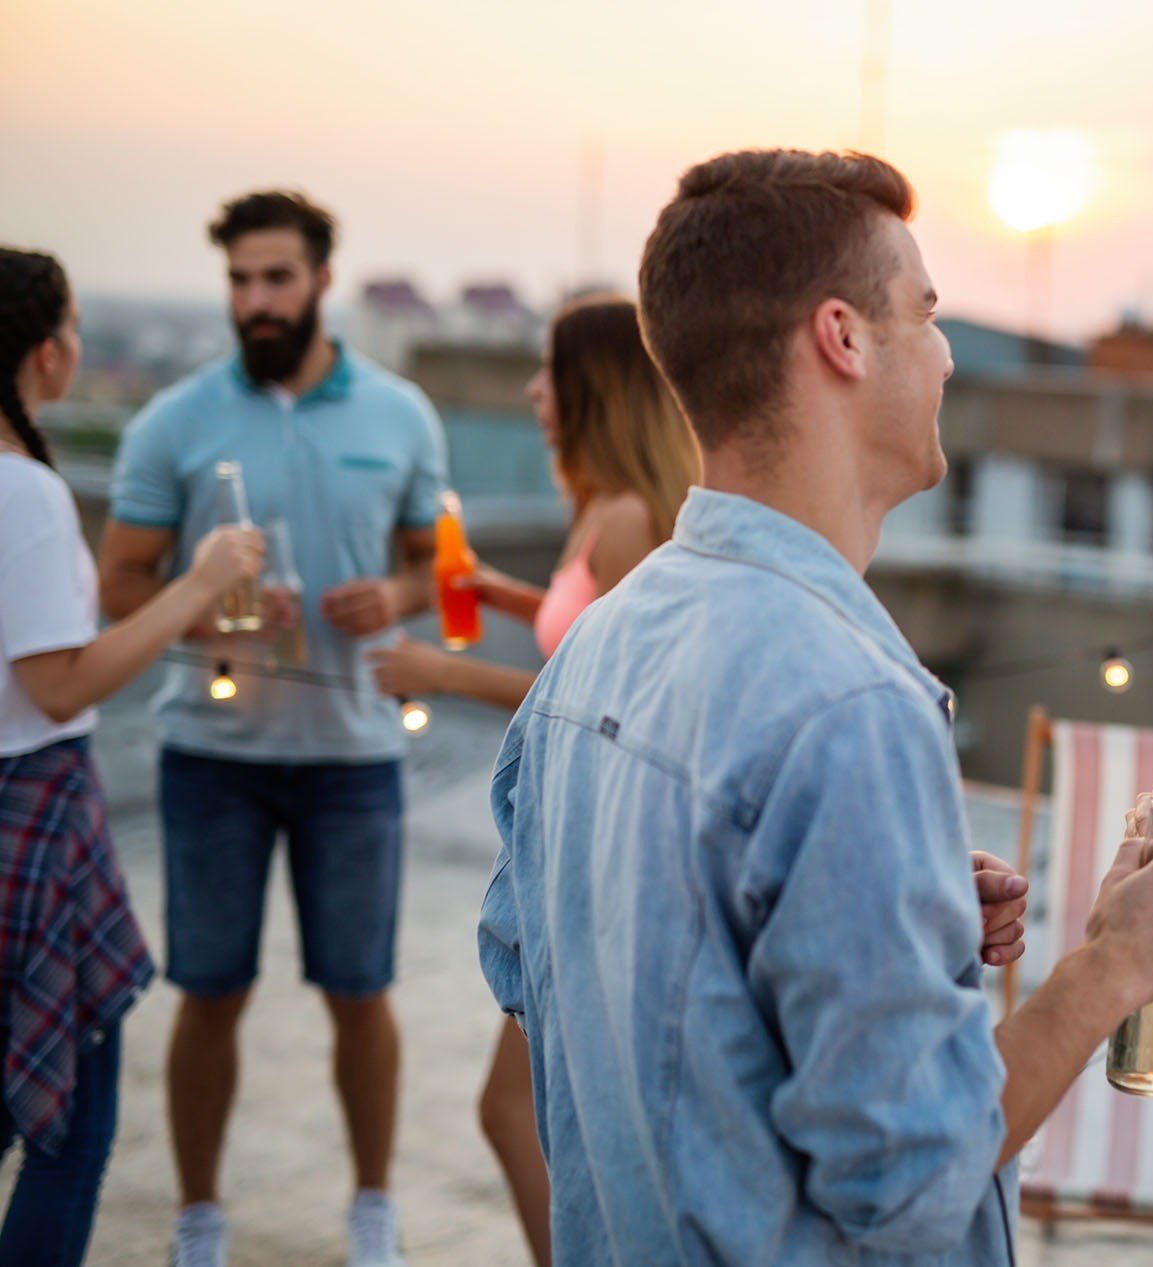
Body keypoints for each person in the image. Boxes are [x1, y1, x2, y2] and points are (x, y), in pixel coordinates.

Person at [477, 148, 1153, 1265]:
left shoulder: (603, 637)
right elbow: (912, 1176)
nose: (941, 356)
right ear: (841, 337)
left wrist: (885, 909)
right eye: (924, 315)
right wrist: (1111, 968)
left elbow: (539, 971)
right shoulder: (846, 705)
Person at [96, 192, 449, 1267]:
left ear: (321, 281)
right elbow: (120, 582)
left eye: (277, 278)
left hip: (355, 758)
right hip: (214, 759)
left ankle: (373, 1215)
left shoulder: (401, 414)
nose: (256, 300)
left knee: (361, 993)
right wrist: (216, 615)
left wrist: (393, 598)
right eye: (240, 280)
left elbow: (437, 565)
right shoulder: (175, 419)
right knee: (208, 990)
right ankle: (199, 1220)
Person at [367, 293, 699, 1267]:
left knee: (516, 1111)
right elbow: (579, 634)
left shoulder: (632, 519)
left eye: (549, 374)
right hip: (569, 850)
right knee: (537, 1111)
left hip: (606, 855)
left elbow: (607, 703)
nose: (532, 392)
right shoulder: (602, 507)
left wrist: (444, 671)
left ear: (597, 387)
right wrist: (500, 594)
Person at [0, 247, 263, 1267]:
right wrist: (198, 587)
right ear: (46, 351)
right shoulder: (21, 492)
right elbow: (58, 685)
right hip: (30, 817)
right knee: (70, 1133)